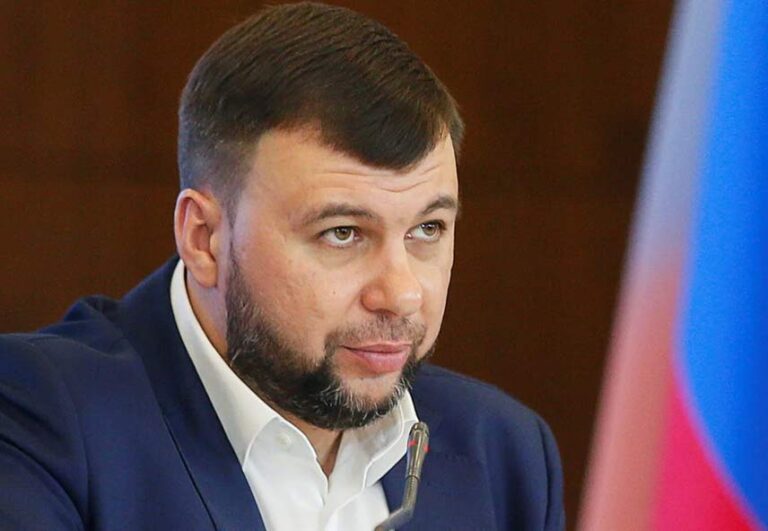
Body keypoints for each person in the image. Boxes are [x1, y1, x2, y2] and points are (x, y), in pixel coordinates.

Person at [0, 3, 564, 530]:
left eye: (428, 229)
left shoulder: (504, 455)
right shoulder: (37, 419)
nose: (402, 294)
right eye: (342, 233)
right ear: (204, 239)